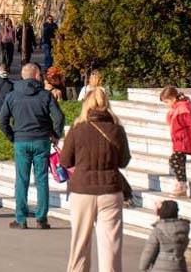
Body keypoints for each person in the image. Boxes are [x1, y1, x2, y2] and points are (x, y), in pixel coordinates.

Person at [61, 86, 130, 272]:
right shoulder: (117, 130)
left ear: (86, 105)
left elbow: (65, 161)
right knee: (111, 245)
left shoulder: (77, 129)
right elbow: (124, 161)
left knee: (80, 243)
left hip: (82, 189)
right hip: (111, 189)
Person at [0, 63, 65, 229]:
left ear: (22, 76)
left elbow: (2, 121)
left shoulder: (12, 96)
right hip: (41, 140)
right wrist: (55, 135)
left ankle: (21, 219)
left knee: (22, 180)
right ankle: (41, 218)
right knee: (41, 179)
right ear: (36, 76)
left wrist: (12, 136)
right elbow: (59, 117)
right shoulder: (45, 95)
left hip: (21, 140)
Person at [161, 86, 191, 197]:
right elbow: (170, 122)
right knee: (179, 161)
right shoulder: (177, 108)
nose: (167, 104)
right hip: (179, 140)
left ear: (173, 98)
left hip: (184, 140)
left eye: (167, 101)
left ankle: (181, 183)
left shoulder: (183, 108)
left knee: (174, 160)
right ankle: (182, 185)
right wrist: (171, 110)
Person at [139, 200, 190, 272]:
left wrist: (143, 267)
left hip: (160, 267)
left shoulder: (158, 229)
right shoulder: (184, 228)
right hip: (180, 266)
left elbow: (149, 250)